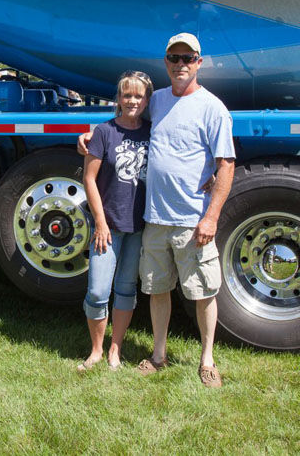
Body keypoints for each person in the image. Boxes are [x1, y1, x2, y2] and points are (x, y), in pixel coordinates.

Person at [79, 32, 235, 387]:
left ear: (199, 62)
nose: (181, 64)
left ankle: (207, 360)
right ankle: (158, 355)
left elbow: (226, 164)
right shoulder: (158, 100)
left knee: (203, 292)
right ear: (166, 62)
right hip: (153, 220)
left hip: (193, 220)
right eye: (174, 58)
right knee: (157, 289)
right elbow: (125, 119)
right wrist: (87, 138)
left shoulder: (212, 107)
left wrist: (211, 217)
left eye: (188, 58)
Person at [78, 71, 153, 372]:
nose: (133, 101)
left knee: (126, 289)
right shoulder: (103, 132)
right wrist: (100, 222)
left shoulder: (153, 131)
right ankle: (96, 349)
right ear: (118, 98)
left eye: (139, 95)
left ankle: (115, 348)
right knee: (98, 291)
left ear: (147, 100)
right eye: (127, 95)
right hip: (107, 226)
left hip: (138, 226)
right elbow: (89, 178)